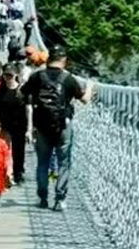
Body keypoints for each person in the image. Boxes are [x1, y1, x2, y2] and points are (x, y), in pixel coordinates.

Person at [23, 45, 92, 212]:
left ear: (48, 59)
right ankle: (60, 199)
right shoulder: (68, 79)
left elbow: (23, 92)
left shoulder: (37, 76)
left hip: (42, 126)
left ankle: (43, 198)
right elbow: (85, 100)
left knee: (43, 163)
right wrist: (89, 86)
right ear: (64, 61)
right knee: (63, 162)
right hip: (63, 125)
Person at [0, 64, 28, 184]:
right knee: (5, 150)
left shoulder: (22, 90)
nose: (7, 78)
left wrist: (30, 128)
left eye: (10, 75)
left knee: (19, 150)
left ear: (16, 75)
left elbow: (28, 109)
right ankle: (6, 173)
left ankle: (18, 173)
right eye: (5, 75)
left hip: (20, 124)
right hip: (5, 125)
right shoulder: (1, 90)